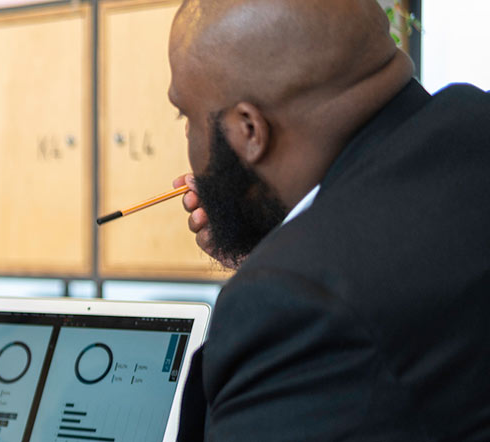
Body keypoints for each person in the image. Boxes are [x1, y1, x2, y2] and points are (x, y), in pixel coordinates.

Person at [163, 0, 490, 439]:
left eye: (185, 117)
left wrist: (287, 267)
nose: (188, 136)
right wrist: (289, 241)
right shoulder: (473, 121)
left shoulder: (292, 306)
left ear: (249, 131)